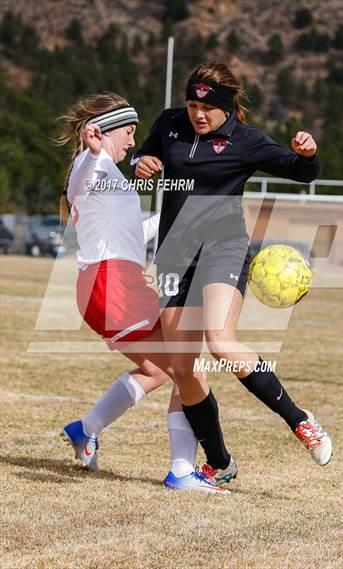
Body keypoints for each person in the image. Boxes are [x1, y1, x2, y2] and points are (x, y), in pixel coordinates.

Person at [132, 61, 332, 467]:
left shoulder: (245, 140)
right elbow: (145, 155)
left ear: (227, 107)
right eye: (191, 105)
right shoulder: (170, 124)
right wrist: (140, 163)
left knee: (220, 342)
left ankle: (300, 421)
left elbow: (301, 172)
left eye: (206, 108)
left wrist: (307, 156)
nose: (198, 114)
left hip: (223, 247)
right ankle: (220, 463)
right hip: (174, 254)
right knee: (184, 371)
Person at [56, 92, 234, 493]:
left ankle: (86, 430)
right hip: (112, 284)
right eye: (129, 132)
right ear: (101, 130)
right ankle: (182, 472)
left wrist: (186, 218)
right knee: (189, 371)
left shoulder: (109, 173)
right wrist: (94, 149)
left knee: (157, 371)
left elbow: (133, 234)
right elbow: (84, 180)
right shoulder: (93, 163)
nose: (133, 143)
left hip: (108, 284)